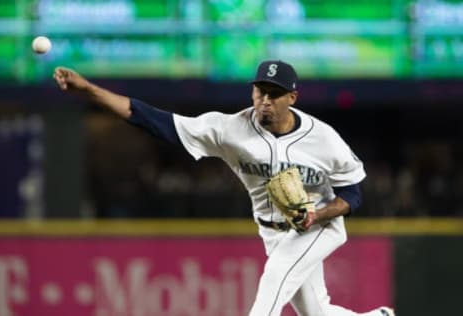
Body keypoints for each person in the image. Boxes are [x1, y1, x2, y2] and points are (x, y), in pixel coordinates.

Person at [53, 60, 395, 316]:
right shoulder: (230, 129)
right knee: (317, 312)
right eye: (260, 91)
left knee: (274, 280)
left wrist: (318, 214)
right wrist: (89, 90)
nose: (265, 100)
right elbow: (151, 119)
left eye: (274, 94)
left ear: (292, 97)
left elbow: (353, 193)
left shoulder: (324, 139)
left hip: (318, 226)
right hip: (272, 232)